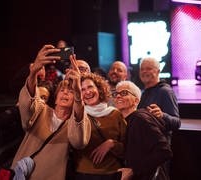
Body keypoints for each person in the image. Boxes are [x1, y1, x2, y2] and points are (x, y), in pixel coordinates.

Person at [10, 44, 91, 180]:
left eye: (70, 91)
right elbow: (27, 104)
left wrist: (78, 92)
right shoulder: (41, 110)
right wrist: (33, 72)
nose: (65, 92)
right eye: (62, 90)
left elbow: (78, 142)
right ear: (55, 98)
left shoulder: (76, 122)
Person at [113, 81, 173, 180]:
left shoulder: (140, 119)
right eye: (116, 94)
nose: (118, 96)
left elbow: (164, 151)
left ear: (136, 101)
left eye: (124, 93)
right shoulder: (127, 121)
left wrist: (134, 170)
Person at [73, 73, 127, 180]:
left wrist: (111, 144)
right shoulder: (77, 115)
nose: (87, 92)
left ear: (99, 89)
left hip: (112, 173)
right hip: (84, 174)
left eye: (90, 87)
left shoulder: (116, 114)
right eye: (82, 89)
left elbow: (128, 147)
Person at [137, 57, 180, 144]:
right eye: (142, 69)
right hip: (144, 146)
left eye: (149, 68)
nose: (144, 71)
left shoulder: (165, 91)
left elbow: (177, 123)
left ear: (158, 71)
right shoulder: (143, 93)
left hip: (158, 149)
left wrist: (162, 115)